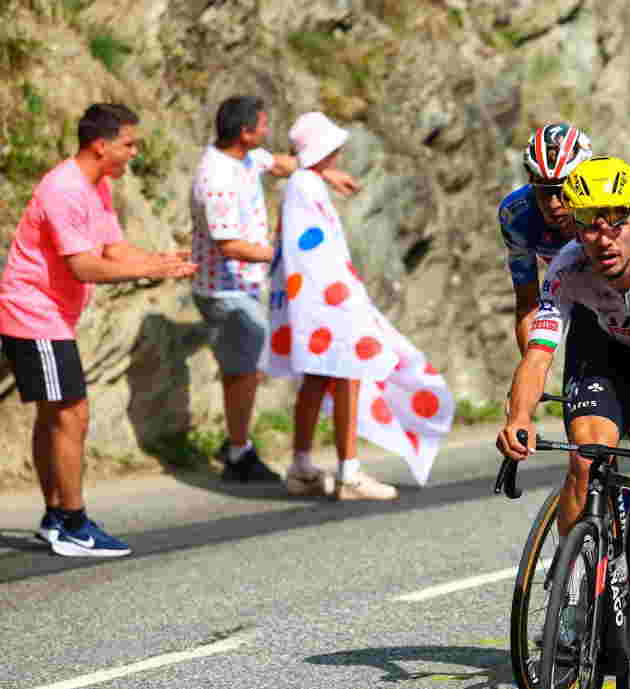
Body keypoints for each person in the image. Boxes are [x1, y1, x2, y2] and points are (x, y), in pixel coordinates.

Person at [497, 156, 630, 689]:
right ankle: (575, 594)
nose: (601, 237)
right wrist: (520, 416)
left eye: (613, 222)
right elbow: (538, 356)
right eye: (587, 223)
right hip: (609, 356)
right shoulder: (568, 269)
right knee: (584, 456)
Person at [0, 104, 197, 557]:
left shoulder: (97, 185)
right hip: (32, 313)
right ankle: (72, 523)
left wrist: (159, 262)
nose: (134, 152)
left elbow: (113, 247)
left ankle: (56, 518)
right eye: (129, 143)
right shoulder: (63, 189)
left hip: (49, 315)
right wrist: (147, 270)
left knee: (56, 416)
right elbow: (85, 266)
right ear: (100, 145)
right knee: (72, 414)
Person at [262, 112, 454, 499]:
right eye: (333, 148)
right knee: (348, 374)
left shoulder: (303, 183)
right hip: (326, 301)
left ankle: (301, 466)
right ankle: (348, 472)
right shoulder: (306, 186)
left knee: (317, 380)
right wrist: (348, 298)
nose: (338, 154)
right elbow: (315, 253)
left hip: (315, 300)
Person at [190, 95, 358, 491]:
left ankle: (239, 445)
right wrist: (288, 254)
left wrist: (323, 172)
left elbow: (280, 164)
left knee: (249, 366)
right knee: (243, 371)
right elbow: (227, 244)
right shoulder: (216, 179)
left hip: (247, 284)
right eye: (263, 126)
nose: (268, 133)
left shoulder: (246, 157)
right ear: (245, 132)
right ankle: (237, 452)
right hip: (224, 290)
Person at [499, 122, 595, 355]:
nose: (554, 204)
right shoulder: (517, 216)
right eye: (544, 191)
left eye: (563, 191)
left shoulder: (613, 205)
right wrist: (532, 376)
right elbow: (527, 304)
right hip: (583, 306)